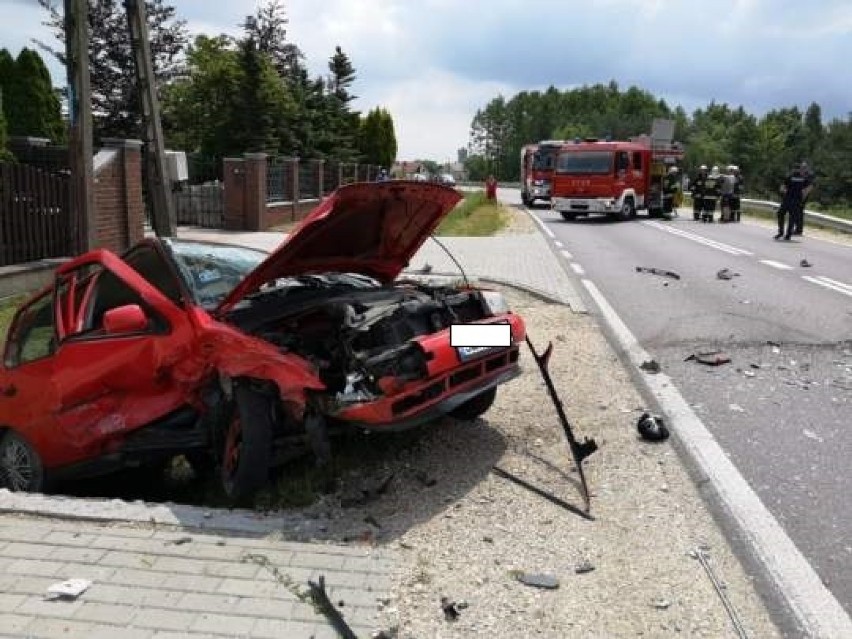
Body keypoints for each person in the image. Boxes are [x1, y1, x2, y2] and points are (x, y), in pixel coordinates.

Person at [775, 163, 812, 240]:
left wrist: (785, 193)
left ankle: (781, 232)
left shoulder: (789, 176)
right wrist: (803, 197)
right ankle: (788, 234)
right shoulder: (804, 178)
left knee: (780, 214)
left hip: (787, 199)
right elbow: (809, 187)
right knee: (792, 217)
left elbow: (782, 188)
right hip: (797, 200)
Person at [791, 161, 813, 235]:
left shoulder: (808, 176)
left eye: (804, 167)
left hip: (803, 196)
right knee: (795, 211)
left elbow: (809, 187)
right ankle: (796, 228)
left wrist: (803, 197)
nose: (802, 168)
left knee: (799, 212)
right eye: (801, 167)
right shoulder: (797, 174)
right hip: (796, 195)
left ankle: (799, 229)